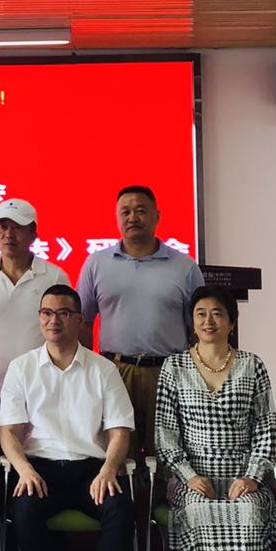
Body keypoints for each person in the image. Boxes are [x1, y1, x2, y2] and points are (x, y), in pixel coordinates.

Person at [0, 284, 135, 551]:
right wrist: (24, 470)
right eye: (47, 313)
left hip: (91, 469)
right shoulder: (22, 368)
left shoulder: (103, 369)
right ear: (39, 318)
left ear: (79, 320)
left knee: (121, 511)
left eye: (63, 313)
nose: (54, 320)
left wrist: (109, 469)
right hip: (40, 468)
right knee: (24, 513)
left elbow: (120, 430)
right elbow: (9, 432)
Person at [154, 288, 276, 551]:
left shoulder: (252, 365)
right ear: (192, 321)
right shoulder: (174, 367)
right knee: (197, 509)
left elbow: (266, 428)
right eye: (201, 313)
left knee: (250, 510)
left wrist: (253, 476)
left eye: (217, 313)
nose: (208, 321)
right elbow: (165, 432)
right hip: (193, 474)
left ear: (231, 322)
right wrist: (187, 475)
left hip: (242, 472)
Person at [76, 185, 203, 461]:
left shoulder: (185, 267)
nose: (133, 217)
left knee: (169, 455)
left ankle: (165, 491)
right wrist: (87, 372)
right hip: (114, 371)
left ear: (157, 216)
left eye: (141, 210)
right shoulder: (96, 264)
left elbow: (198, 329)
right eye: (125, 212)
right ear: (117, 218)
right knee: (119, 457)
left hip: (168, 372)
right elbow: (82, 322)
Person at [0, 198, 66, 455]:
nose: (9, 234)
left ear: (33, 233)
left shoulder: (54, 277)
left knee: (42, 462)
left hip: (43, 390)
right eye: (3, 226)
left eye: (18, 227)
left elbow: (64, 332)